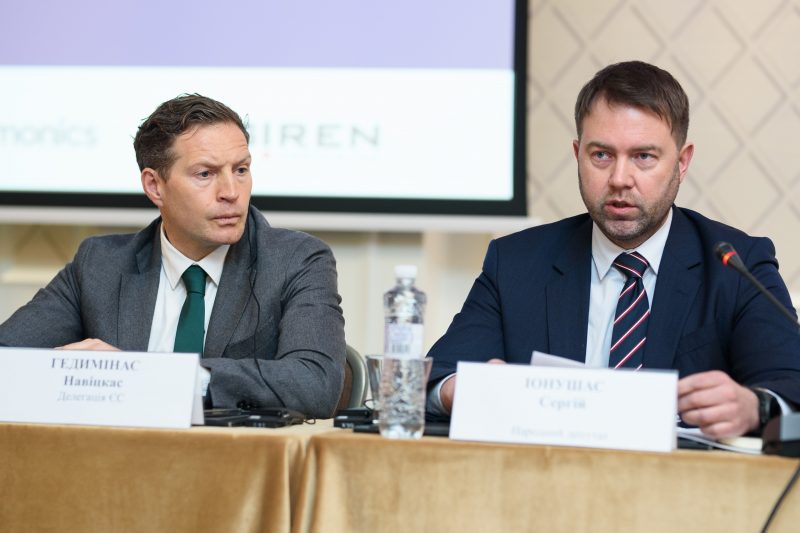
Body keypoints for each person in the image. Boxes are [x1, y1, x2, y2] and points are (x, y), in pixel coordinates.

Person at [427, 61, 800, 438]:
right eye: (602, 155)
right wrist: (459, 390)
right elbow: (438, 375)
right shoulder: (515, 264)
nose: (620, 179)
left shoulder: (736, 265)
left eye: (643, 157)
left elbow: (791, 382)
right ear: (578, 154)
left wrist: (755, 406)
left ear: (682, 162)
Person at [0, 94, 346, 418]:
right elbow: (7, 357)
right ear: (154, 186)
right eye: (205, 174)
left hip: (235, 458)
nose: (231, 192)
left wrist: (145, 376)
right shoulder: (100, 264)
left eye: (241, 170)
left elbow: (315, 384)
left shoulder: (296, 261)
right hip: (115, 456)